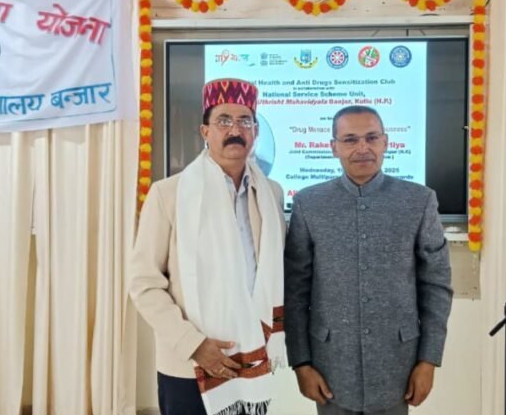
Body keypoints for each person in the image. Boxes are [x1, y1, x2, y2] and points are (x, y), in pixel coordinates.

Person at [128, 78, 286, 415]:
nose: (235, 130)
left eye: (245, 121)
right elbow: (144, 283)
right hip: (189, 361)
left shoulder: (271, 193)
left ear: (255, 132)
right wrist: (194, 345)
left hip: (252, 354)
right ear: (205, 131)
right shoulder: (168, 194)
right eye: (223, 121)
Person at [284, 105, 453, 415]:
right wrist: (301, 363)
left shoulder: (418, 200)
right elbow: (295, 291)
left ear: (385, 142)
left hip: (398, 365)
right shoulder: (309, 203)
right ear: (333, 147)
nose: (362, 148)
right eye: (350, 139)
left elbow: (436, 285)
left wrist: (429, 360)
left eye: (372, 137)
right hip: (330, 366)